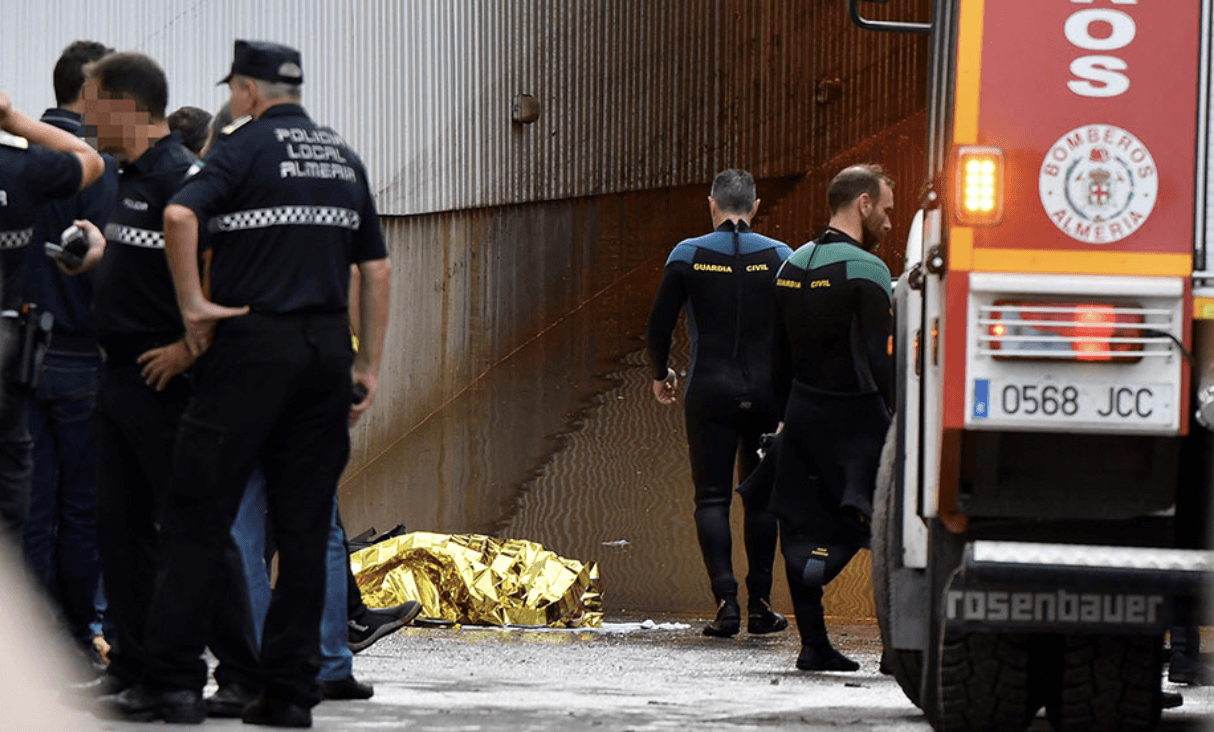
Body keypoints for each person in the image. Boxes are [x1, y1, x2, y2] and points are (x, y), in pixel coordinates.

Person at [106, 40, 391, 727]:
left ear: (248, 90)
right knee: (302, 528)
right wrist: (366, 367)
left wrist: (194, 313)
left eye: (235, 87)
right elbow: (376, 271)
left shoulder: (239, 148)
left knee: (195, 514)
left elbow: (180, 216)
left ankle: (172, 683)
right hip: (325, 353)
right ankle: (288, 695)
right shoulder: (341, 157)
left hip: (250, 349)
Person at [62, 52, 207, 711]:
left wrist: (186, 346)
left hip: (161, 382)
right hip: (115, 376)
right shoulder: (131, 177)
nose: (87, 118)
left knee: (166, 536)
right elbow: (144, 270)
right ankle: (134, 665)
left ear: (124, 105)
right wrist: (97, 260)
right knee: (116, 531)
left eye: (93, 106)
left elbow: (224, 278)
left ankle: (175, 679)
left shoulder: (185, 179)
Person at [646, 168, 792, 638]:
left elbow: (658, 328)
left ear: (712, 205)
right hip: (767, 395)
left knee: (710, 498)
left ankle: (726, 605)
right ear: (754, 206)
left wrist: (660, 374)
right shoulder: (780, 256)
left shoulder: (687, 255)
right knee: (762, 498)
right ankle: (761, 606)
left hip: (708, 391)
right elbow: (796, 333)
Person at [766, 164, 894, 671]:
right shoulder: (869, 270)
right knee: (882, 526)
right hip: (858, 417)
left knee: (798, 523)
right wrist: (899, 416)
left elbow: (776, 359)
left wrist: (782, 420)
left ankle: (813, 644)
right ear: (862, 204)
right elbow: (880, 359)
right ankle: (892, 650)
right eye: (884, 209)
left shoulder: (790, 265)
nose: (888, 220)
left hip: (801, 415)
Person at [21, 39, 117, 675]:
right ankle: (81, 636)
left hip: (18, 354)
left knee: (32, 506)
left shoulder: (17, 161)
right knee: (82, 510)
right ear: (89, 93)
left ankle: (30, 643)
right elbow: (109, 270)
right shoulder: (95, 169)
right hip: (82, 357)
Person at [0, 91, 105, 547]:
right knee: (31, 499)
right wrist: (13, 120)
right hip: (16, 356)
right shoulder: (20, 169)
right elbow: (89, 157)